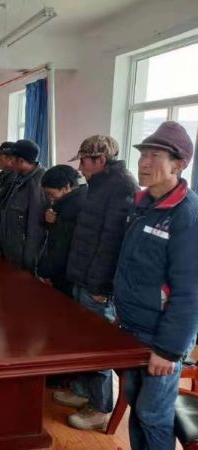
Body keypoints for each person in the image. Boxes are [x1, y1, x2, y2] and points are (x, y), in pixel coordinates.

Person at [115, 121, 198, 450]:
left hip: (160, 335)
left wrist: (168, 350)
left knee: (153, 414)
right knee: (137, 405)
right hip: (132, 327)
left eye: (154, 156)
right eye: (142, 155)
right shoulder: (143, 205)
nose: (144, 162)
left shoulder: (187, 215)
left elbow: (190, 292)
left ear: (179, 165)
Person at [53, 135, 139, 430]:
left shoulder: (122, 188)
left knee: (98, 346)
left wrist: (103, 287)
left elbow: (113, 244)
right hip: (83, 276)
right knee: (82, 341)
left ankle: (100, 407)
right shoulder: (98, 185)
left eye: (84, 161)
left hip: (98, 284)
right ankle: (81, 392)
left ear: (100, 160)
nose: (80, 168)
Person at [0, 139, 48, 273]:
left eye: (12, 159)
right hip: (9, 249)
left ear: (21, 161)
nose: (10, 162)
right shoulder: (20, 177)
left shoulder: (38, 183)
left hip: (21, 257)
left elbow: (35, 228)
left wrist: (29, 262)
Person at [36, 165, 87, 296]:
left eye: (50, 194)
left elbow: (62, 246)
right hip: (64, 272)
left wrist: (46, 272)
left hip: (67, 274)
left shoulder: (74, 208)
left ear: (65, 188)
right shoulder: (68, 201)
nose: (49, 198)